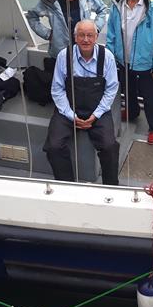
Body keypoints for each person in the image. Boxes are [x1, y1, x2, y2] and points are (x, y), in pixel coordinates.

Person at [44, 20, 120, 185]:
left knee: (109, 146)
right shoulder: (64, 56)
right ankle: (67, 185)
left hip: (97, 109)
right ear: (75, 37)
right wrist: (71, 116)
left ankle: (111, 187)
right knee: (53, 146)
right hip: (68, 109)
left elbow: (111, 89)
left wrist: (95, 115)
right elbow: (57, 89)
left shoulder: (107, 57)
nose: (86, 39)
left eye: (90, 35)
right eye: (81, 35)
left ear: (96, 37)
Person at [106, 0, 153, 145]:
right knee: (128, 92)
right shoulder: (117, 6)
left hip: (146, 63)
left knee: (151, 98)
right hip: (123, 62)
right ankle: (132, 112)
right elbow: (111, 35)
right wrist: (110, 59)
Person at [26, 0, 108, 58]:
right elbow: (32, 16)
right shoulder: (50, 1)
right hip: (61, 51)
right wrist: (47, 34)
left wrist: (95, 29)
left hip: (84, 46)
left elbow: (102, 9)